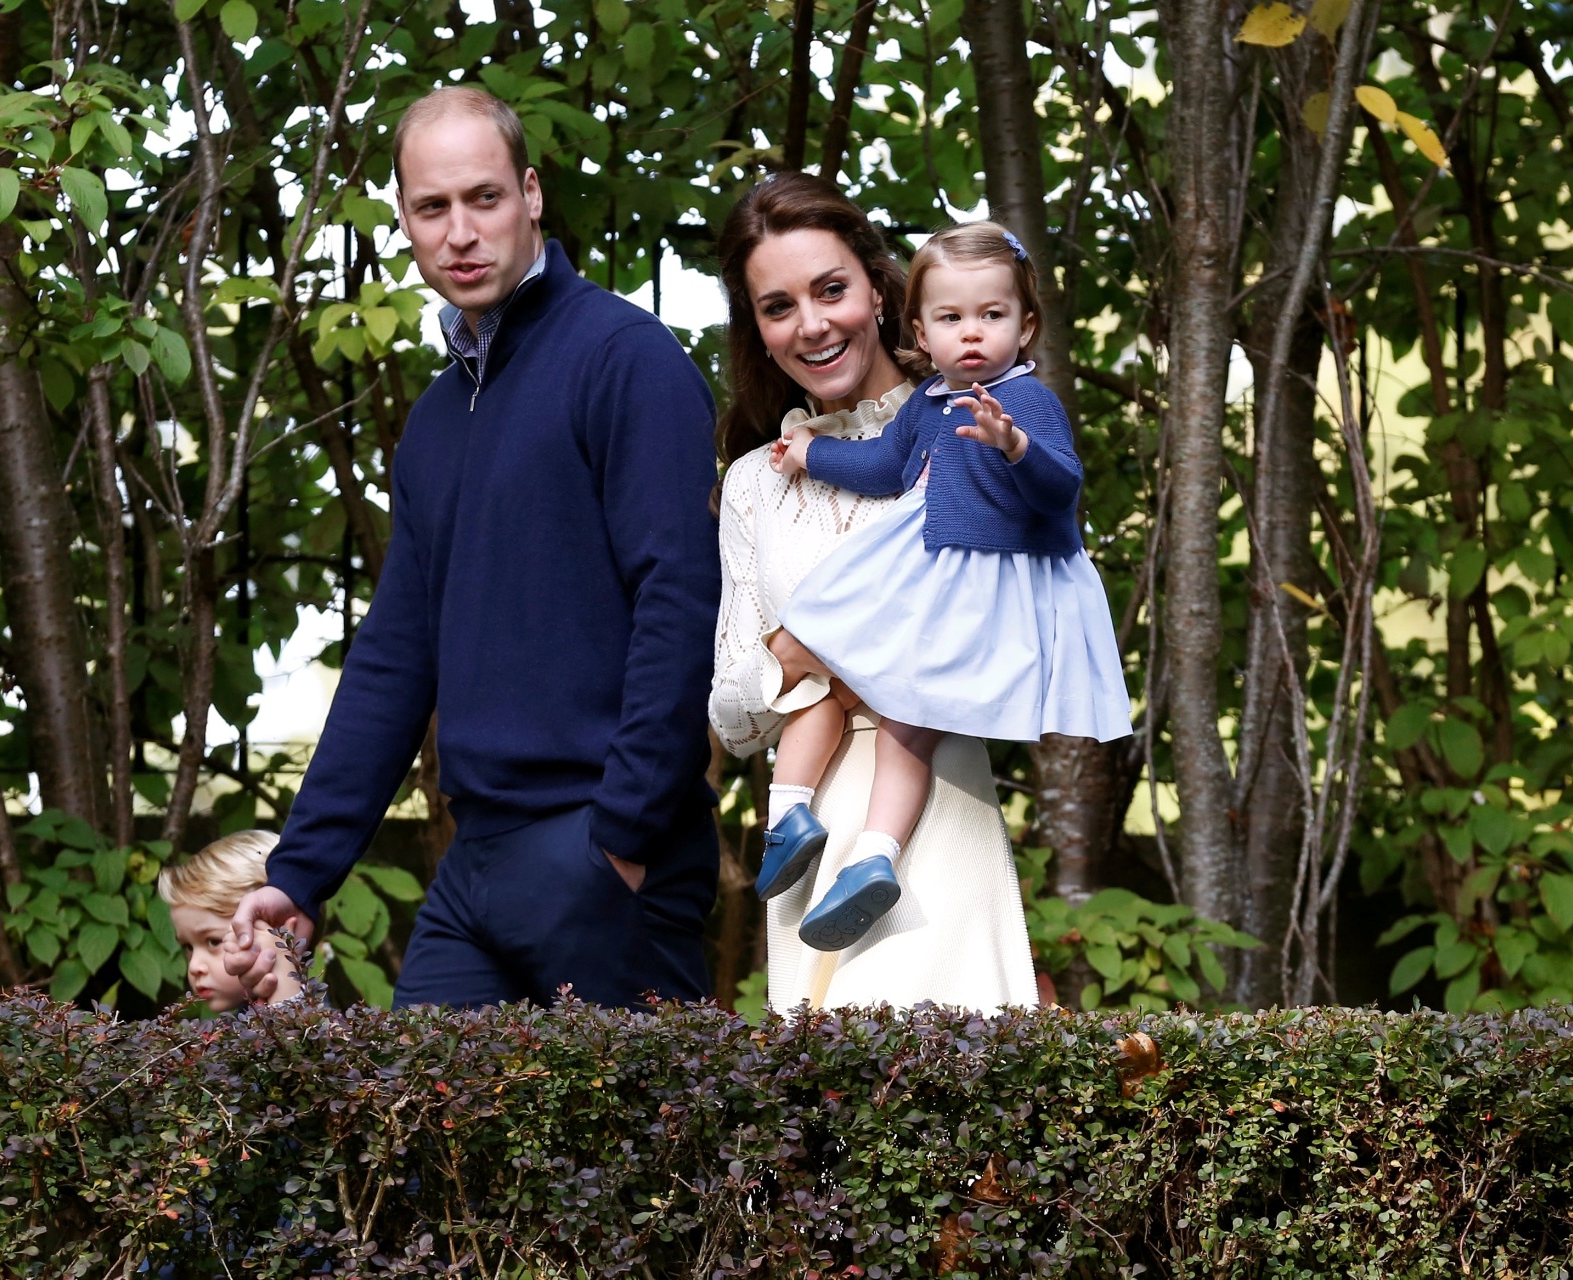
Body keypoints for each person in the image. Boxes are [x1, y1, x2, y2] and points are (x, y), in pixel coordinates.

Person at [225, 87, 722, 1009]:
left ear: (531, 196)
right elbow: (394, 655)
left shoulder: (626, 358)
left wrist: (623, 839)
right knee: (421, 1142)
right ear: (407, 223)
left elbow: (682, 601)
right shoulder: (437, 418)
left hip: (606, 851)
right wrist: (302, 873)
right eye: (432, 207)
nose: (461, 232)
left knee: (647, 1151)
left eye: (484, 198)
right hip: (478, 865)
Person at [710, 173, 1037, 1012]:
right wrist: (798, 649)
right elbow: (732, 716)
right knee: (826, 1109)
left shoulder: (969, 425)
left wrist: (847, 649)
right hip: (806, 819)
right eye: (779, 306)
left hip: (935, 783)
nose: (812, 324)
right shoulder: (754, 484)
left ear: (880, 292)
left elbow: (1016, 631)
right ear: (758, 328)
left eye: (831, 290)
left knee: (939, 1080)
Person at [762, 220, 1133, 953]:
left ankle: (828, 833)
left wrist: (1014, 446)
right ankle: (833, 838)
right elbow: (879, 470)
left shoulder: (1024, 402)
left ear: (1025, 326)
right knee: (865, 698)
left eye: (992, 316)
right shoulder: (928, 400)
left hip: (977, 591)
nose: (972, 335)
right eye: (950, 318)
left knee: (862, 691)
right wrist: (811, 452)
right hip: (930, 571)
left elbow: (1061, 491)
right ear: (921, 333)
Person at [157, 830, 304, 1012]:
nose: (195, 966)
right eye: (188, 947)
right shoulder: (239, 1024)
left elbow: (295, 1039)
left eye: (214, 941)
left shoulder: (317, 1019)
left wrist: (283, 978)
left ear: (282, 934)